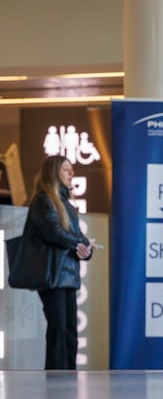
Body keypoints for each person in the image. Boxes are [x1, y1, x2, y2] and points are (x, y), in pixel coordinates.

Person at [23, 155, 95, 369]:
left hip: (67, 275)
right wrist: (77, 245)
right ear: (53, 172)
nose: (71, 173)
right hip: (52, 274)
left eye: (71, 169)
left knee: (70, 332)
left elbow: (78, 236)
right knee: (59, 329)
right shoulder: (44, 200)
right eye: (66, 169)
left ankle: (68, 379)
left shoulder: (66, 204)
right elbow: (53, 232)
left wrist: (86, 250)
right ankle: (55, 382)